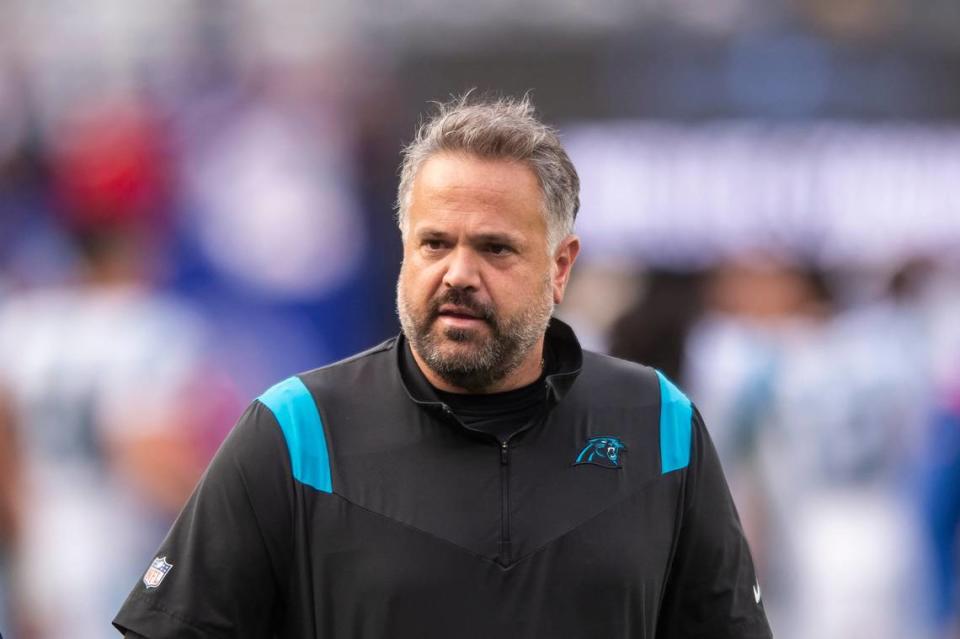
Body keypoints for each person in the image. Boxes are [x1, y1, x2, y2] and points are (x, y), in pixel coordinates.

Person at [113, 94, 773, 638]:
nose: (459, 274)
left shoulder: (659, 426)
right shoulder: (296, 430)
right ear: (405, 248)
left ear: (560, 266)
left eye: (494, 248)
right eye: (435, 243)